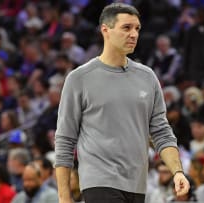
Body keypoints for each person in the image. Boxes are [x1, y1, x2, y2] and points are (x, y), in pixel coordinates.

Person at [54, 3, 190, 203]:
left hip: (137, 184)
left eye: (137, 29)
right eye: (126, 28)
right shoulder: (79, 78)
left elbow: (161, 131)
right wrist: (64, 197)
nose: (134, 34)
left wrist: (177, 172)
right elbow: (65, 139)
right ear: (105, 30)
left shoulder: (148, 77)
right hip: (99, 181)